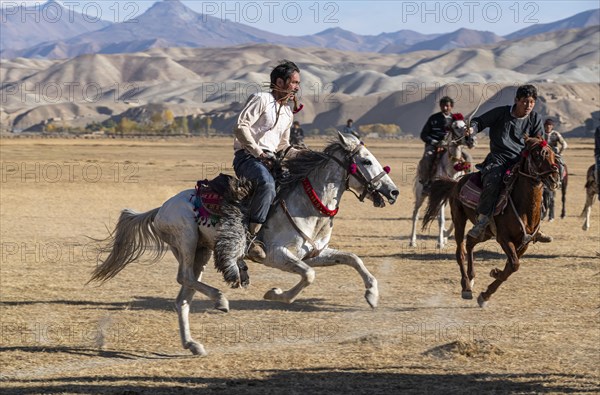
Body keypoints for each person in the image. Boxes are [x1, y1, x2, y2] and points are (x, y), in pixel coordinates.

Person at [232, 60, 301, 261]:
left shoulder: (288, 112)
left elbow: (283, 147)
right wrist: (258, 153)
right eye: (294, 82)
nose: (297, 87)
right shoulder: (261, 99)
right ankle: (250, 238)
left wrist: (307, 155)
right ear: (280, 82)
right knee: (267, 184)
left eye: (298, 83)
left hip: (272, 159)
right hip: (247, 158)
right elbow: (240, 127)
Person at [466, 84, 552, 242]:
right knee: (493, 180)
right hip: (499, 158)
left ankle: (535, 227)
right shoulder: (501, 113)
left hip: (522, 161)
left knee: (543, 187)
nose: (528, 105)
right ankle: (483, 220)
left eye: (532, 102)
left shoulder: (535, 119)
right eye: (525, 101)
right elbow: (479, 122)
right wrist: (472, 129)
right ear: (517, 100)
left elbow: (539, 141)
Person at [419, 96, 455, 193]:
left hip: (450, 147)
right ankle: (426, 182)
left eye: (447, 106)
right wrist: (435, 142)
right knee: (427, 157)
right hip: (434, 146)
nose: (445, 108)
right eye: (443, 106)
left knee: (466, 157)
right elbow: (424, 135)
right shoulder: (433, 118)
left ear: (451, 106)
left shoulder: (455, 120)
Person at [544, 118, 567, 185]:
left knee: (561, 164)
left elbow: (564, 144)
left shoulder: (556, 134)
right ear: (544, 126)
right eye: (547, 125)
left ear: (552, 126)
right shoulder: (541, 133)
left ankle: (560, 180)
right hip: (543, 154)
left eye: (550, 125)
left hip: (554, 154)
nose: (548, 126)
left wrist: (560, 153)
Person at [595, 126, 600, 198]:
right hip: (599, 152)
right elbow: (598, 142)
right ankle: (599, 187)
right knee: (598, 168)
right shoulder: (598, 129)